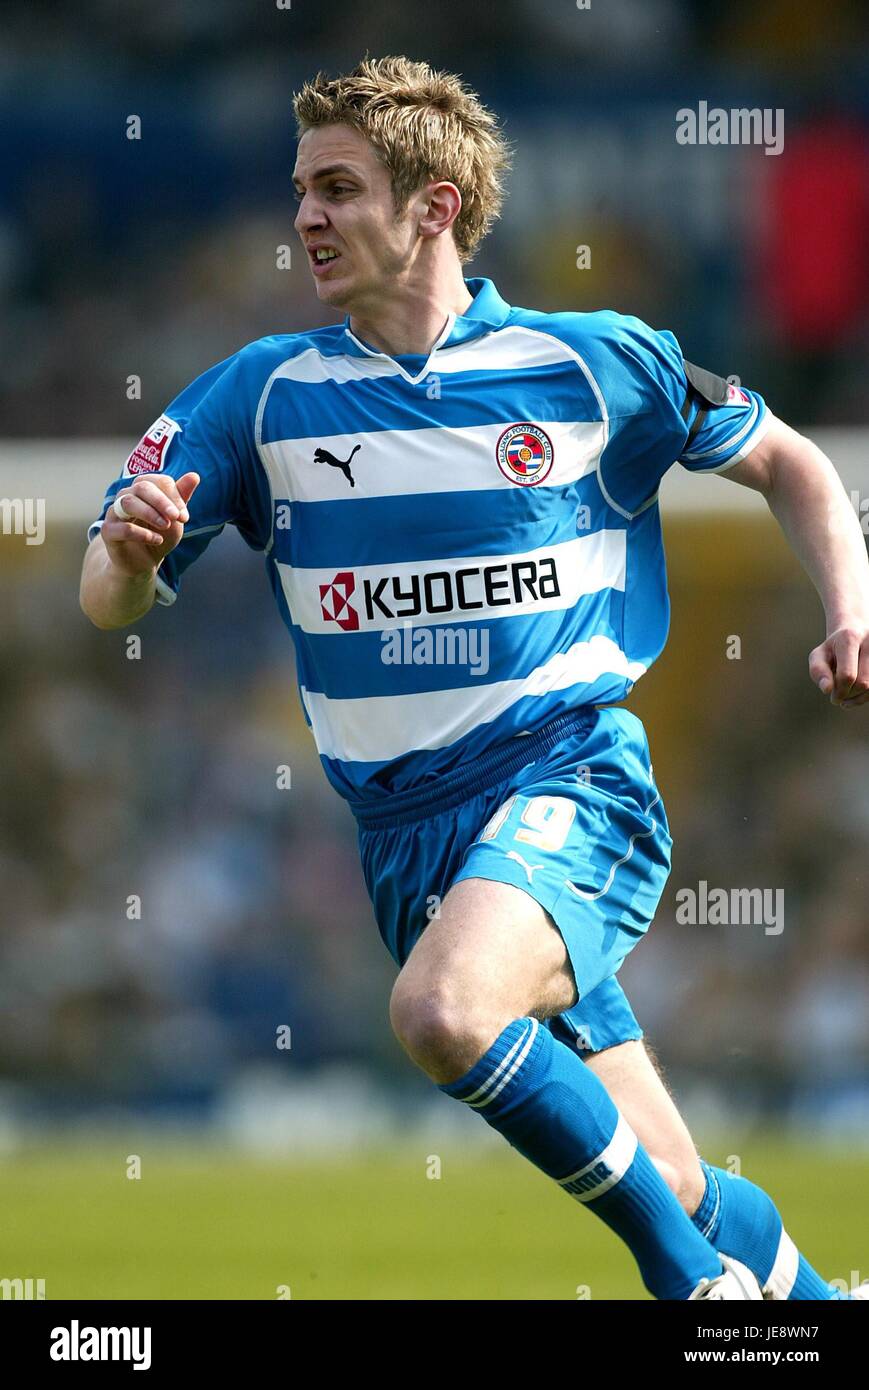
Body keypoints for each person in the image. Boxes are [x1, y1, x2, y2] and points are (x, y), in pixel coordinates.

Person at [80, 56, 869, 1300]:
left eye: (338, 188)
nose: (306, 219)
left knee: (443, 1013)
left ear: (434, 205)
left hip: (569, 780)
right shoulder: (263, 395)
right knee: (669, 1176)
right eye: (299, 193)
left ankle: (693, 1296)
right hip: (404, 835)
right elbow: (104, 595)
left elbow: (794, 465)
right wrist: (126, 557)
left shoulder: (590, 364)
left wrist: (849, 613)